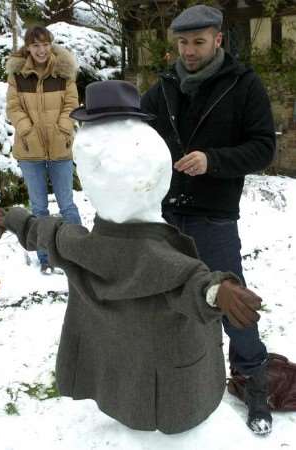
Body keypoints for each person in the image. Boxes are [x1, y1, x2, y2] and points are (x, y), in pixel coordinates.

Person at [0, 80, 263, 435]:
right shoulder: (154, 256)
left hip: (126, 380)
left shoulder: (83, 245)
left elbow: (47, 232)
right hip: (170, 397)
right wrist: (218, 291)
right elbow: (190, 282)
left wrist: (14, 218)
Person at [140, 4, 275, 435]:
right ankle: (174, 373)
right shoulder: (162, 87)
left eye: (198, 42)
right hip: (164, 214)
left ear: (219, 39)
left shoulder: (242, 84)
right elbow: (136, 133)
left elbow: (262, 148)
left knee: (231, 298)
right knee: (167, 301)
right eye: (182, 43)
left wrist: (213, 160)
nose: (189, 51)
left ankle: (253, 378)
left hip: (214, 216)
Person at [6, 26, 81, 274]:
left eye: (45, 44)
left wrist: (62, 128)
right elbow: (13, 107)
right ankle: (45, 258)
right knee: (39, 208)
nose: (41, 50)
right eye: (36, 45)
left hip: (61, 148)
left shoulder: (64, 72)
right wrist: (27, 130)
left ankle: (78, 253)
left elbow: (72, 104)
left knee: (67, 205)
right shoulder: (17, 75)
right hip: (30, 150)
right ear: (28, 48)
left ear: (51, 45)